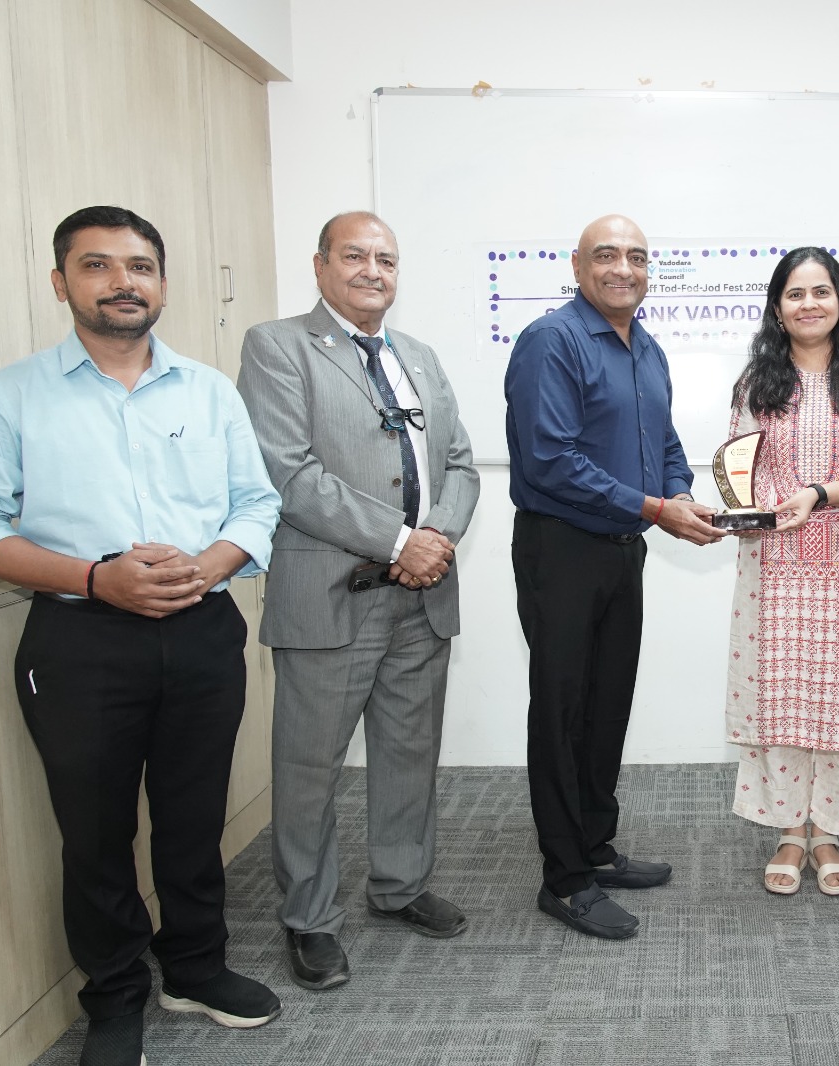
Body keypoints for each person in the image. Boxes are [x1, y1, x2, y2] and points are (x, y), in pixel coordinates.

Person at [0, 206, 283, 1066]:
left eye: (140, 266)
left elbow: (257, 504)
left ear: (162, 284)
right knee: (94, 833)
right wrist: (97, 578)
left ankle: (195, 968)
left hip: (202, 630)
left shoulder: (209, 391)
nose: (123, 282)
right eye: (97, 265)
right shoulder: (5, 398)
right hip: (80, 639)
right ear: (61, 284)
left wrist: (205, 568)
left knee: (193, 818)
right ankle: (116, 994)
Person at [237, 211, 480, 991]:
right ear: (320, 266)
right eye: (355, 255)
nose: (373, 270)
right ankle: (309, 917)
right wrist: (399, 540)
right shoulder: (278, 347)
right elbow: (290, 474)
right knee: (309, 767)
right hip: (329, 597)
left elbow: (460, 464)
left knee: (409, 753)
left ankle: (400, 886)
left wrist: (436, 537)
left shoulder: (420, 356)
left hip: (420, 598)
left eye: (387, 259)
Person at [505, 214, 724, 939]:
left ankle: (596, 848)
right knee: (562, 710)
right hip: (562, 549)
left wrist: (679, 493)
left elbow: (664, 441)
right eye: (606, 255)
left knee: (606, 706)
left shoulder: (646, 347)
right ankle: (565, 878)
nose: (622, 268)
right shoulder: (552, 341)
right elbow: (551, 461)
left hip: (623, 549)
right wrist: (655, 507)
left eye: (636, 256)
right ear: (577, 266)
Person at [722, 247, 839, 896]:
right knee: (782, 698)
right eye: (795, 294)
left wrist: (820, 494)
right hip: (776, 566)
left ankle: (828, 830)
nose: (809, 304)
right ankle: (788, 831)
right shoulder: (757, 382)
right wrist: (748, 506)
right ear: (777, 308)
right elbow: (737, 467)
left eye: (821, 291)